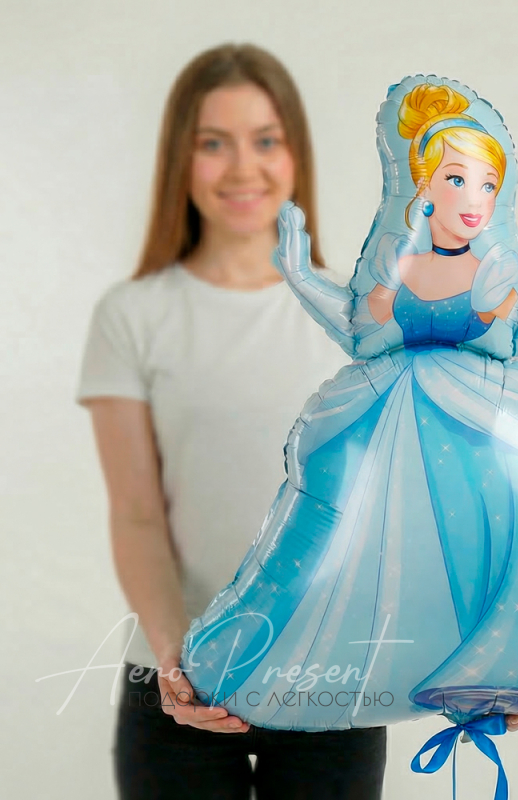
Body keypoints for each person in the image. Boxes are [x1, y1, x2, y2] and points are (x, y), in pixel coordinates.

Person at [183, 76, 518, 733]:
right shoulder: (397, 266)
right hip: (386, 416)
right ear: (423, 187)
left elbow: (517, 332)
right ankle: (262, 659)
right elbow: (360, 328)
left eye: (488, 185)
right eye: (457, 180)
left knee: (514, 522)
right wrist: (298, 272)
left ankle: (499, 655)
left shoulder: (494, 271)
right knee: (358, 531)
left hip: (478, 415)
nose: (475, 199)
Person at [76, 43, 392, 800]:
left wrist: (478, 665)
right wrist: (172, 657)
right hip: (174, 682)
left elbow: (406, 513)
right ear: (179, 160)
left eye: (265, 140)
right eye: (212, 143)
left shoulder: (362, 317)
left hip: (331, 680)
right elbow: (137, 514)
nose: (242, 168)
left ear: (296, 154)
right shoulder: (133, 316)